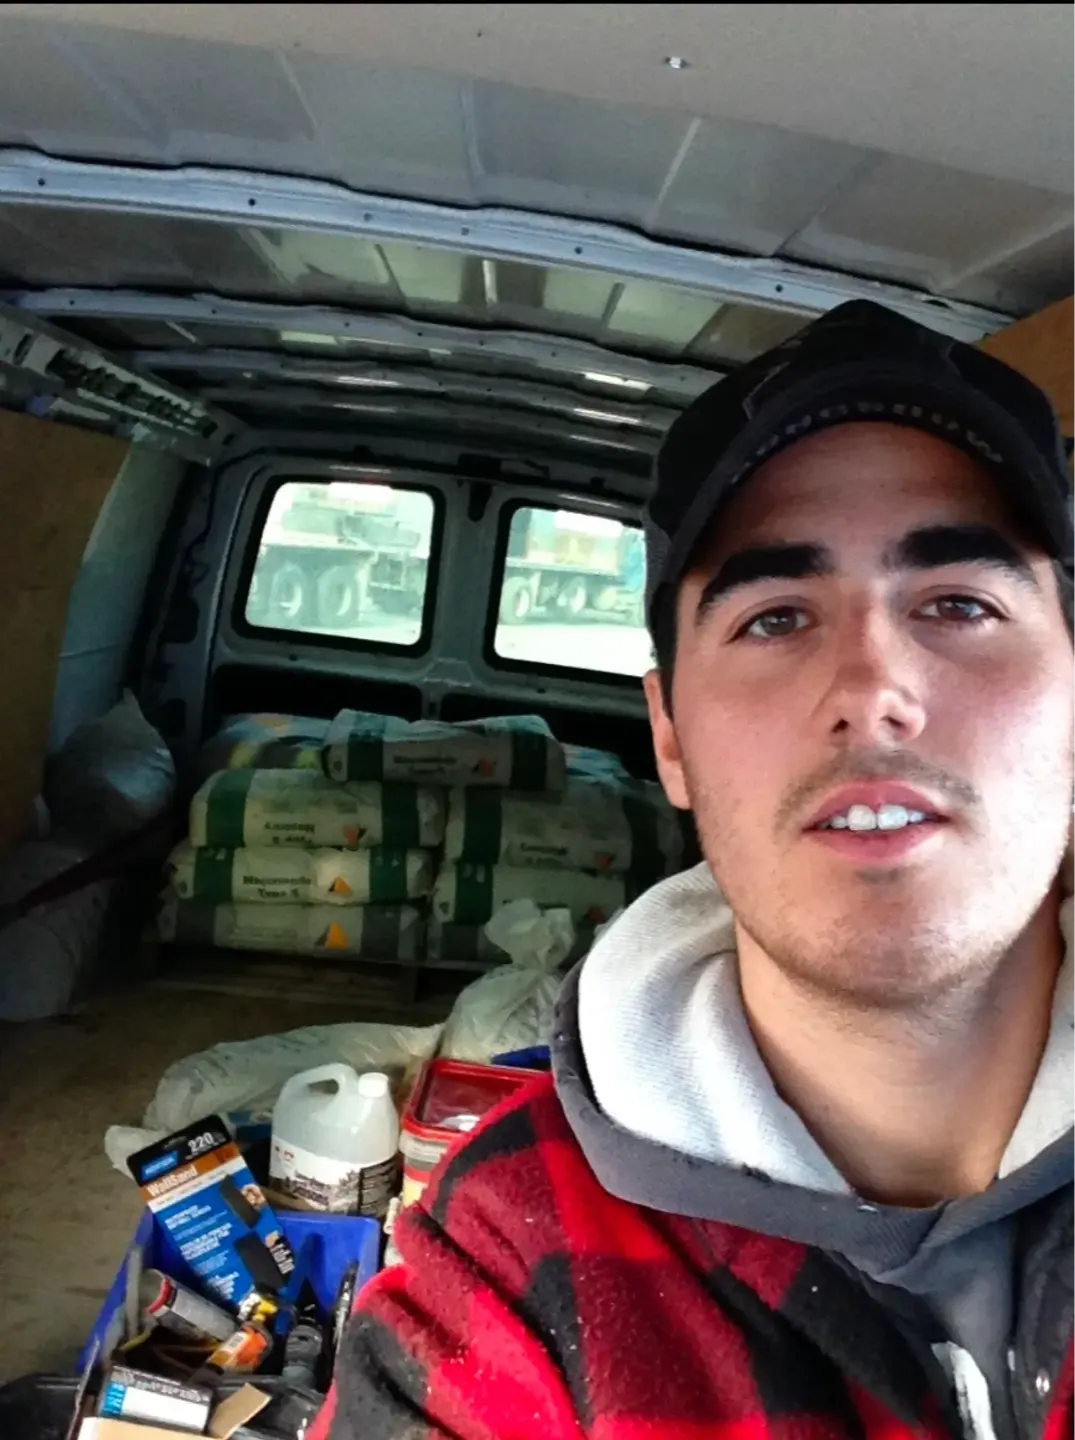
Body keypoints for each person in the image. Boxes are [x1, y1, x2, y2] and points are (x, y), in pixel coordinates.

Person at [314, 301, 1075, 1440]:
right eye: (774, 618)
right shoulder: (509, 1254)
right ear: (668, 737)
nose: (872, 689)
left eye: (959, 604)